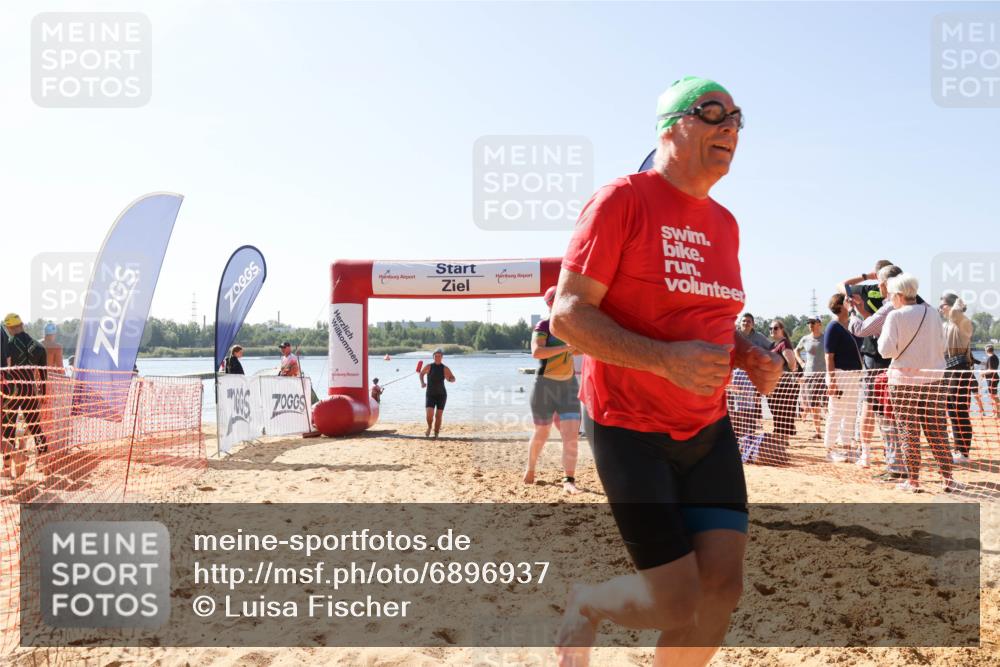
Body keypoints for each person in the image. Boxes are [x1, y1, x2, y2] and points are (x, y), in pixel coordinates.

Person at [548, 76, 783, 667]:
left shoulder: (726, 223)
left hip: (706, 428)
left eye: (736, 118)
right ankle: (588, 602)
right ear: (670, 127)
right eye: (711, 113)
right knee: (676, 600)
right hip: (629, 428)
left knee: (722, 590)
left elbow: (709, 314)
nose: (729, 126)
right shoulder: (622, 200)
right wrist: (665, 360)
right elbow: (568, 316)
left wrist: (747, 352)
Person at [877, 274, 958, 493]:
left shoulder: (895, 316)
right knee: (938, 429)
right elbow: (942, 344)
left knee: (908, 430)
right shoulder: (932, 313)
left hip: (903, 380)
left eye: (893, 294)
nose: (891, 298)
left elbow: (885, 351)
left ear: (900, 295)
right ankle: (948, 478)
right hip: (933, 379)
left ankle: (913, 480)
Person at [524, 286, 582, 494]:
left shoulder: (571, 327)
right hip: (544, 386)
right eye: (560, 299)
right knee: (542, 431)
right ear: (551, 304)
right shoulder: (543, 326)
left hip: (568, 386)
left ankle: (569, 480)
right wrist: (567, 347)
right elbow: (537, 352)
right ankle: (530, 468)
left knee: (571, 435)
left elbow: (582, 349)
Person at [2, 314, 48, 478]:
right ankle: (43, 463)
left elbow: (5, 368)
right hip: (30, 391)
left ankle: (7, 468)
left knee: (8, 427)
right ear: (21, 325)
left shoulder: (9, 344)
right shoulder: (39, 346)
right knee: (35, 427)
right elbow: (43, 374)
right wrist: (42, 394)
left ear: (10, 327)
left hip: (13, 391)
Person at [824, 294, 864, 463]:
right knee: (836, 413)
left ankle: (847, 449)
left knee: (850, 413)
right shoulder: (833, 327)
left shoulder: (852, 325)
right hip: (839, 375)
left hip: (853, 376)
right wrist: (832, 381)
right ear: (840, 306)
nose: (851, 304)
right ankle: (829, 449)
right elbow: (829, 356)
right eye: (847, 302)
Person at [940, 291, 975, 462]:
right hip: (947, 370)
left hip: (960, 368)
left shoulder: (964, 323)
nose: (940, 309)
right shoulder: (946, 325)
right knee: (951, 410)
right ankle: (957, 449)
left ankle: (963, 452)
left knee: (960, 410)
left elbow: (955, 313)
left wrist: (956, 303)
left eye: (943, 305)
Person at [765, 320, 799, 459]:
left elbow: (792, 364)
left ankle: (783, 441)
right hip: (774, 384)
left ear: (782, 329)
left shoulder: (784, 343)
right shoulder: (773, 344)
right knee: (776, 411)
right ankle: (779, 440)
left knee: (783, 412)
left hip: (784, 384)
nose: (772, 330)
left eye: (775, 328)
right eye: (770, 328)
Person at [794, 317, 827, 439]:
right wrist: (801, 363)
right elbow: (796, 350)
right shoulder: (805, 339)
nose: (810, 325)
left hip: (824, 375)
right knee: (813, 404)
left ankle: (830, 430)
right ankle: (818, 432)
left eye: (813, 323)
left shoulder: (825, 338)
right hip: (809, 375)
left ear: (819, 324)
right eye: (808, 323)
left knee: (826, 404)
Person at [419, 348, 455, 438]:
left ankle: (436, 433)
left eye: (439, 356)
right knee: (429, 414)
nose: (437, 358)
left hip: (441, 395)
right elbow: (421, 374)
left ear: (442, 357)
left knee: (438, 416)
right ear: (433, 357)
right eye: (435, 356)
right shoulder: (429, 366)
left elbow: (452, 377)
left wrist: (451, 379)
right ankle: (429, 427)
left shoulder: (445, 368)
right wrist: (422, 383)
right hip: (430, 394)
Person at [985, 344, 999, 417]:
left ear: (986, 350)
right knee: (992, 396)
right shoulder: (995, 357)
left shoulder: (990, 358)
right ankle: (995, 412)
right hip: (993, 378)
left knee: (994, 396)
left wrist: (982, 373)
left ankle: (998, 414)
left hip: (992, 378)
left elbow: (991, 370)